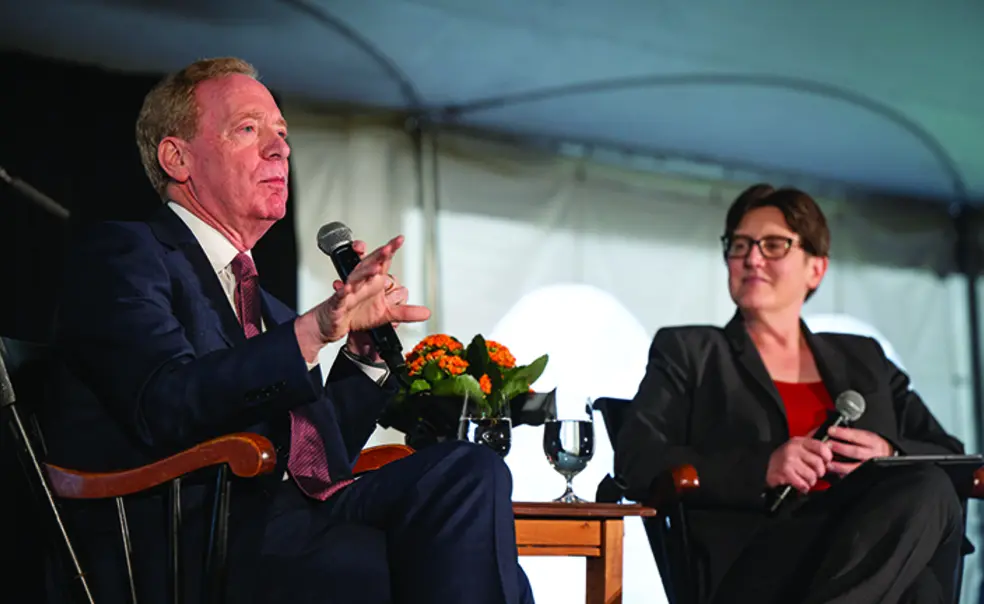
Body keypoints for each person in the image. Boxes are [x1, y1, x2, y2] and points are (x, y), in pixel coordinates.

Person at [43, 57, 534, 604]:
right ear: (177, 158)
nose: (280, 149)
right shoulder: (126, 255)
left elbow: (318, 461)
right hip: (202, 541)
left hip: (293, 520)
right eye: (249, 129)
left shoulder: (266, 304)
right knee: (464, 570)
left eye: (282, 133)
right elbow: (165, 401)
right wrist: (309, 333)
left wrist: (362, 353)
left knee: (469, 472)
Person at [615, 184, 966, 604]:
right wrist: (762, 467)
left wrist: (888, 454)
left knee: (926, 503)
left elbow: (949, 453)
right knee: (918, 577)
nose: (752, 258)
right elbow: (636, 459)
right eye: (740, 245)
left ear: (816, 269)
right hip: (756, 561)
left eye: (774, 245)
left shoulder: (864, 359)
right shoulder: (691, 352)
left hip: (864, 552)